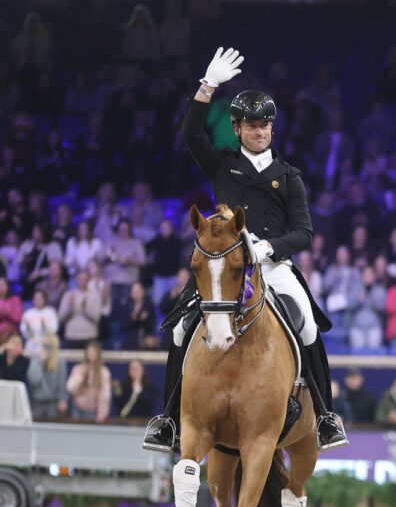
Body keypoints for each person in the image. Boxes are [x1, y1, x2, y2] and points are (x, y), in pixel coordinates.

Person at [143, 47, 346, 452]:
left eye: (265, 126)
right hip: (224, 270)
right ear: (236, 129)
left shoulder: (289, 176)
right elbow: (190, 133)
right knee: (182, 329)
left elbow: (304, 232)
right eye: (251, 126)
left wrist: (268, 245)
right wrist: (208, 86)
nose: (259, 132)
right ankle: (167, 420)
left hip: (271, 267)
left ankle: (324, 415)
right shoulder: (222, 164)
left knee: (306, 323)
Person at [66, 340, 111, 422]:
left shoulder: (104, 372)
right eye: (90, 351)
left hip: (92, 411)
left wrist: (102, 414)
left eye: (94, 352)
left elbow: (105, 396)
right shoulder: (78, 368)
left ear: (98, 354)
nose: (92, 354)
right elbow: (70, 389)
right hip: (77, 408)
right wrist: (80, 377)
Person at [26, 335, 69, 421]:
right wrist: (39, 362)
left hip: (53, 402)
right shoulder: (36, 359)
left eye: (49, 346)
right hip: (37, 401)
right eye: (45, 346)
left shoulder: (60, 360)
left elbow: (62, 382)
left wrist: (62, 399)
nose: (47, 349)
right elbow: (33, 380)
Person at [19, 289, 58, 354]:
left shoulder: (50, 311)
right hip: (31, 345)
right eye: (36, 298)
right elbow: (23, 330)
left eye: (40, 298)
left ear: (44, 299)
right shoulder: (28, 313)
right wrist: (28, 329)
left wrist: (44, 325)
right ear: (33, 300)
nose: (38, 300)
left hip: (47, 344)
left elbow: (54, 329)